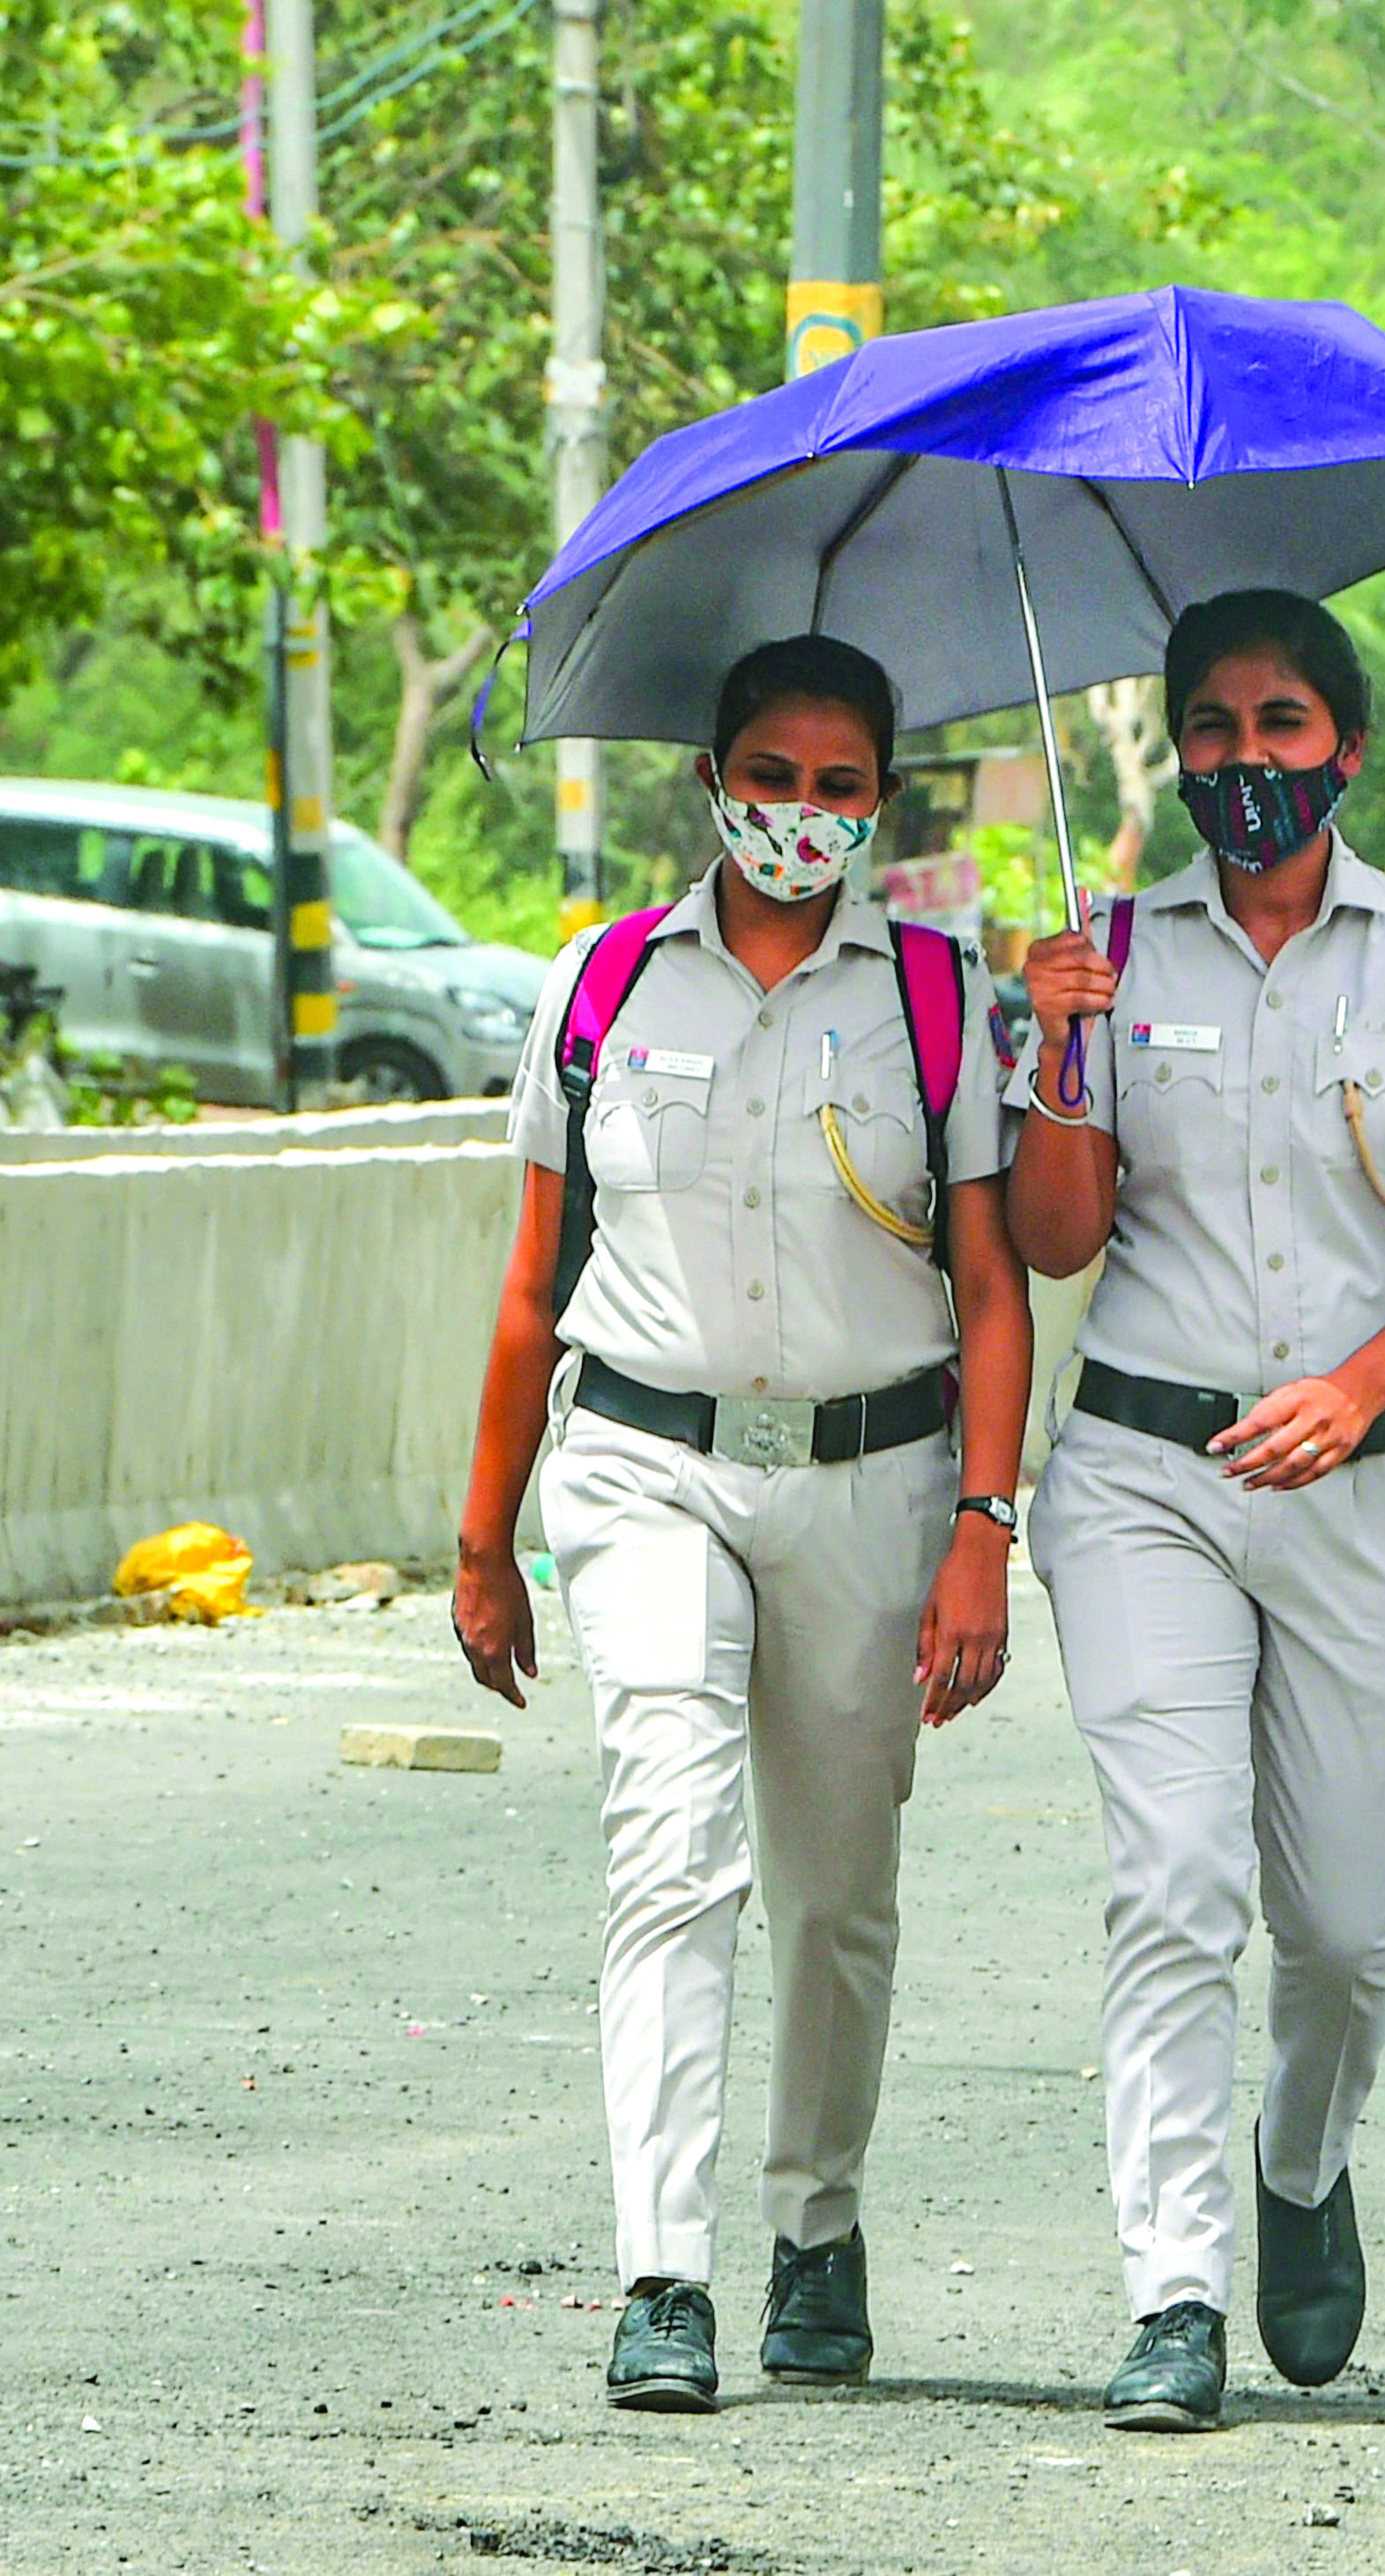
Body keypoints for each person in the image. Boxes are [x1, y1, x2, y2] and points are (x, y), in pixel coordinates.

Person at [449, 634, 1029, 2411]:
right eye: (770, 776)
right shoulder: (607, 984)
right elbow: (536, 1280)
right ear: (713, 782)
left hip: (874, 1478)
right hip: (643, 1471)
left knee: (837, 1891)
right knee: (672, 1851)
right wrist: (484, 1541)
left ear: (881, 805)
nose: (800, 814)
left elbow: (998, 1290)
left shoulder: (941, 999)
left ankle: (819, 2233)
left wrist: (983, 1531)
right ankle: (663, 2273)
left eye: (839, 784)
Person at [1007, 590, 1385, 2430]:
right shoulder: (1100, 954)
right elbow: (1055, 1239)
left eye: (1284, 726)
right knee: (1176, 1883)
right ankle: (1174, 2294)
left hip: (1372, 1491)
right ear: (1176, 751)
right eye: (1216, 730)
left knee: (1341, 1931)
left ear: (1348, 746)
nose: (1248, 761)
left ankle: (1303, 2160)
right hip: (1146, 1479)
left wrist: (1362, 1381)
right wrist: (1059, 1047)